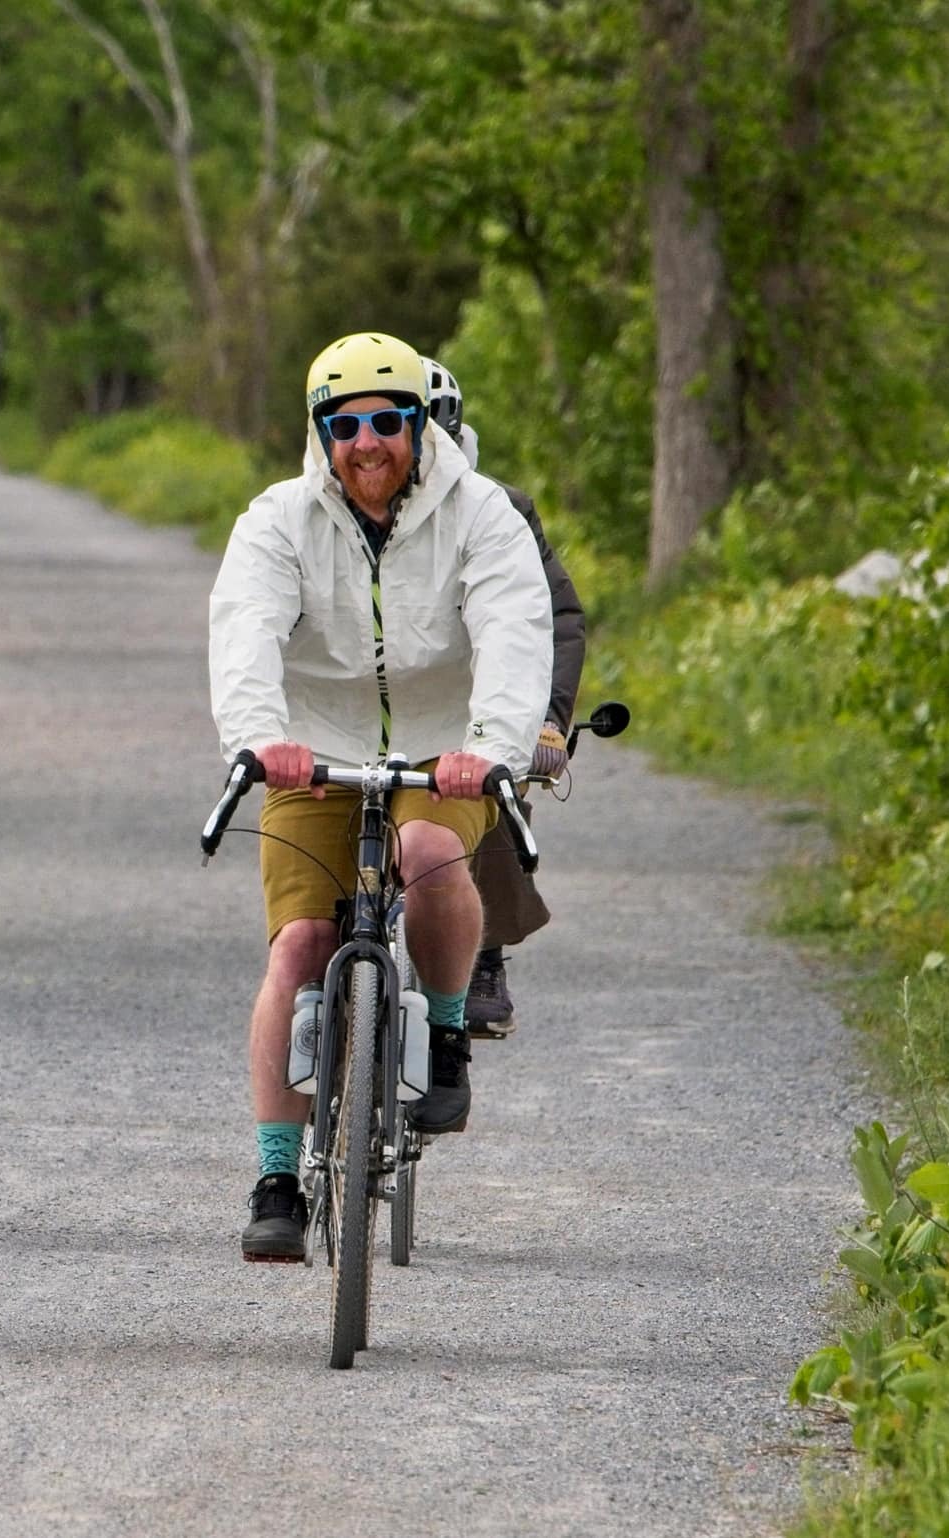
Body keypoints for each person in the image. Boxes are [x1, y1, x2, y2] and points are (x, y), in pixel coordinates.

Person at [208, 330, 553, 1263]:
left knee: (432, 854)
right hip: (311, 754)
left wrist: (492, 748)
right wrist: (259, 739)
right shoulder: (276, 518)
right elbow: (246, 628)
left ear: (420, 427)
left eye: (389, 421)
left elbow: (516, 629)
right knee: (300, 947)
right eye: (347, 424)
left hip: (446, 754)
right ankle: (278, 1172)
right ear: (321, 432)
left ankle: (443, 1035)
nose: (369, 443)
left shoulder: (482, 514)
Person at [421, 356, 587, 1040]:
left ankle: (484, 955)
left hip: (479, 694)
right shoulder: (325, 510)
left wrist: (547, 718)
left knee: (488, 781)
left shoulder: (500, 509)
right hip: (371, 700)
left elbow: (555, 618)